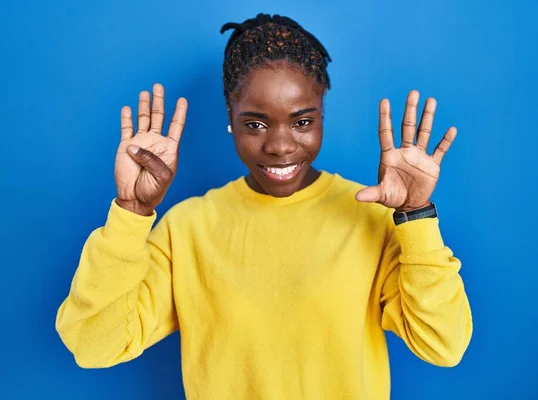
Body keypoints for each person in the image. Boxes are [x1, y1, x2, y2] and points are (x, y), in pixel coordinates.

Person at [56, 13, 472, 400]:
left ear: (322, 117)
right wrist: (130, 212)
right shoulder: (187, 229)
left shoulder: (371, 219)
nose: (279, 145)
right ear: (230, 119)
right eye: (255, 123)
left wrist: (417, 216)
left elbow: (443, 344)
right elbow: (94, 343)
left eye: (302, 121)